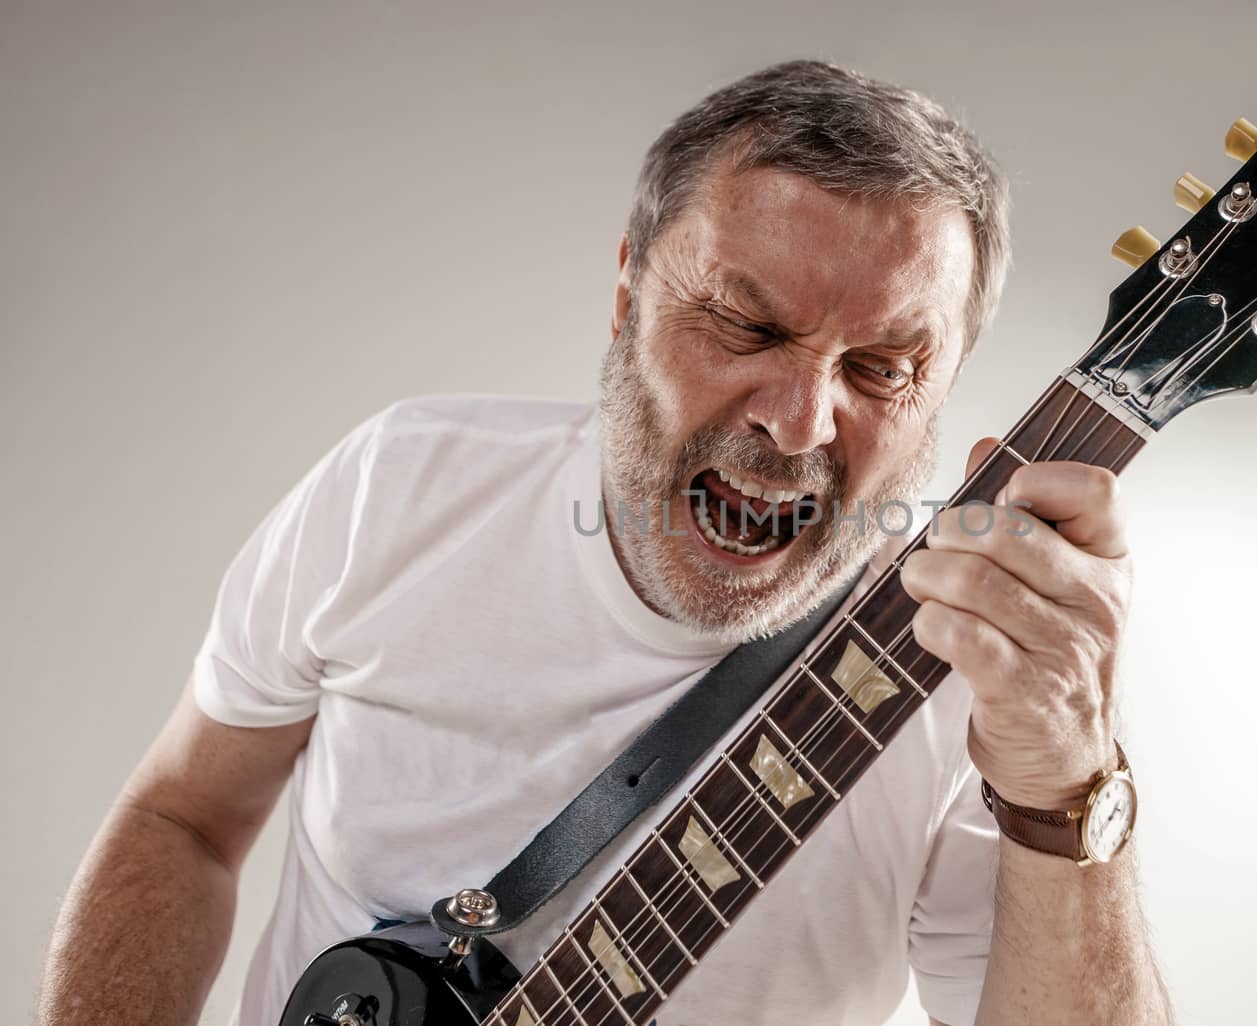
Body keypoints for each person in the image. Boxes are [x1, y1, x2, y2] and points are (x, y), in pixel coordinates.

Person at [35, 60, 1172, 1026]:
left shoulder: (969, 679)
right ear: (627, 293)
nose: (798, 420)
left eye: (881, 369)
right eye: (745, 324)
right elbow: (183, 819)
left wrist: (1067, 785)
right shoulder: (402, 484)